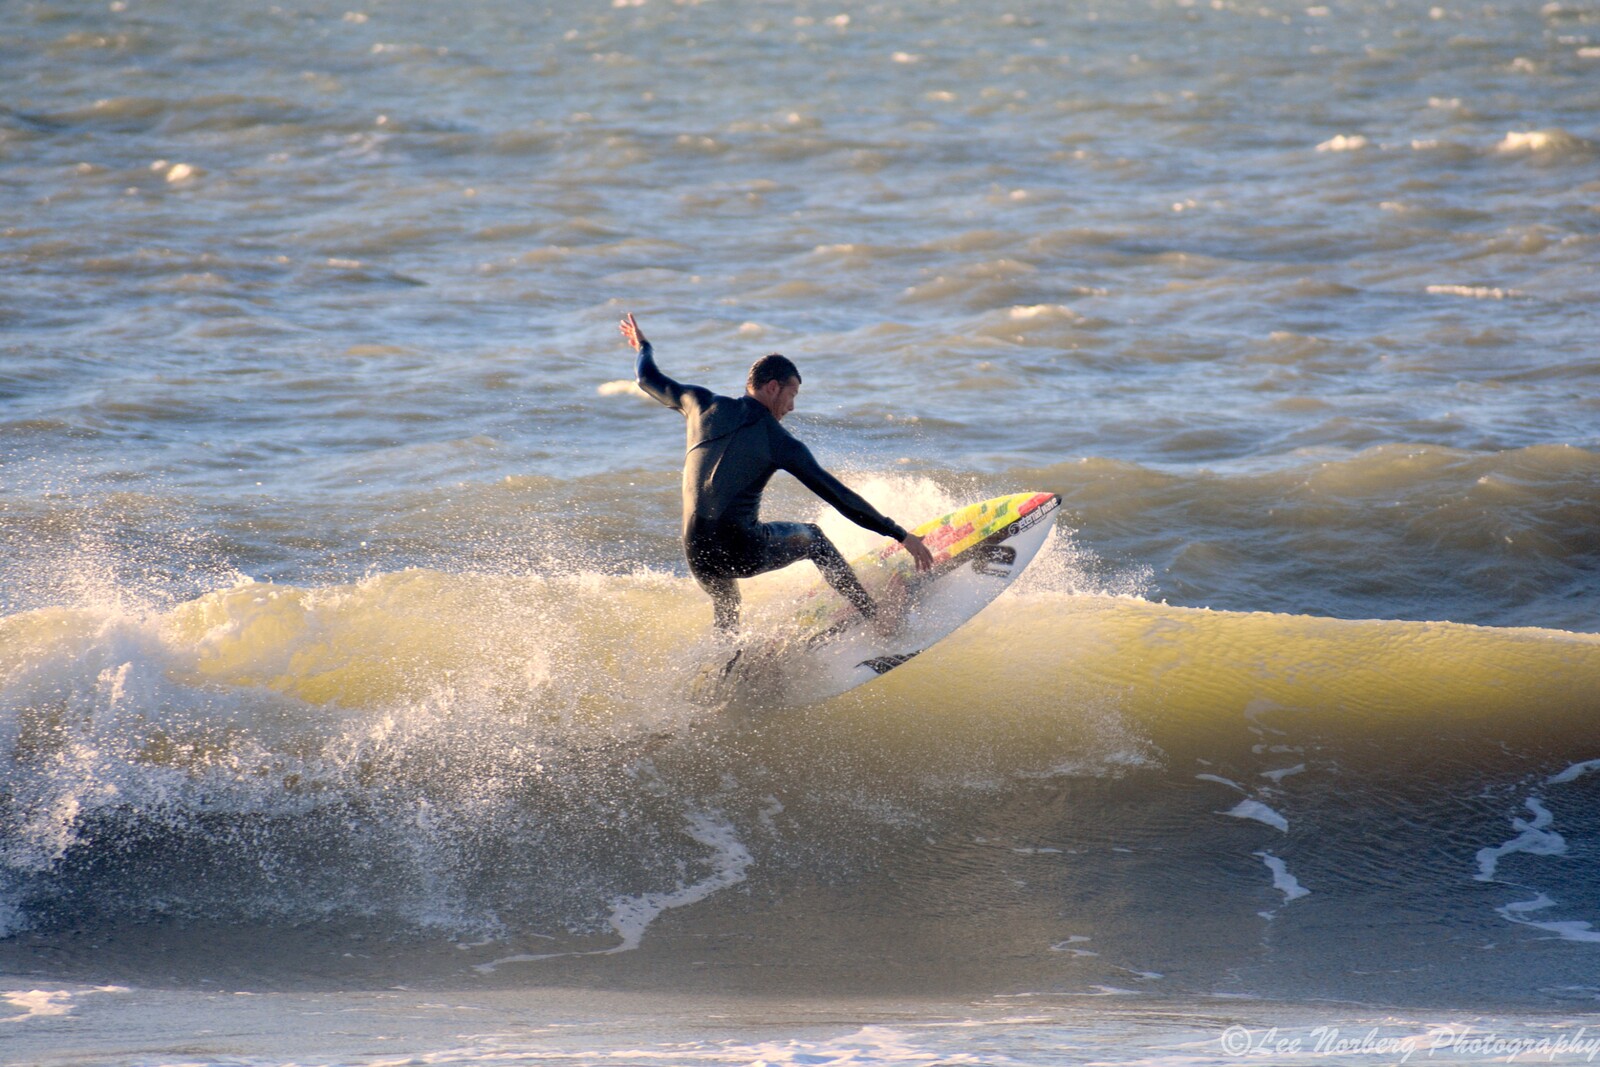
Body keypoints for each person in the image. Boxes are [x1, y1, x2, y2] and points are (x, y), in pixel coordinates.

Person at [620, 313, 933, 633]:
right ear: (773, 387)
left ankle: (727, 667)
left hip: (696, 551)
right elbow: (840, 496)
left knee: (727, 605)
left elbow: (646, 378)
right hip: (740, 549)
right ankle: (877, 619)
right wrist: (900, 534)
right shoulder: (778, 441)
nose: (792, 406)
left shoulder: (701, 404)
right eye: (792, 394)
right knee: (815, 539)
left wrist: (643, 345)